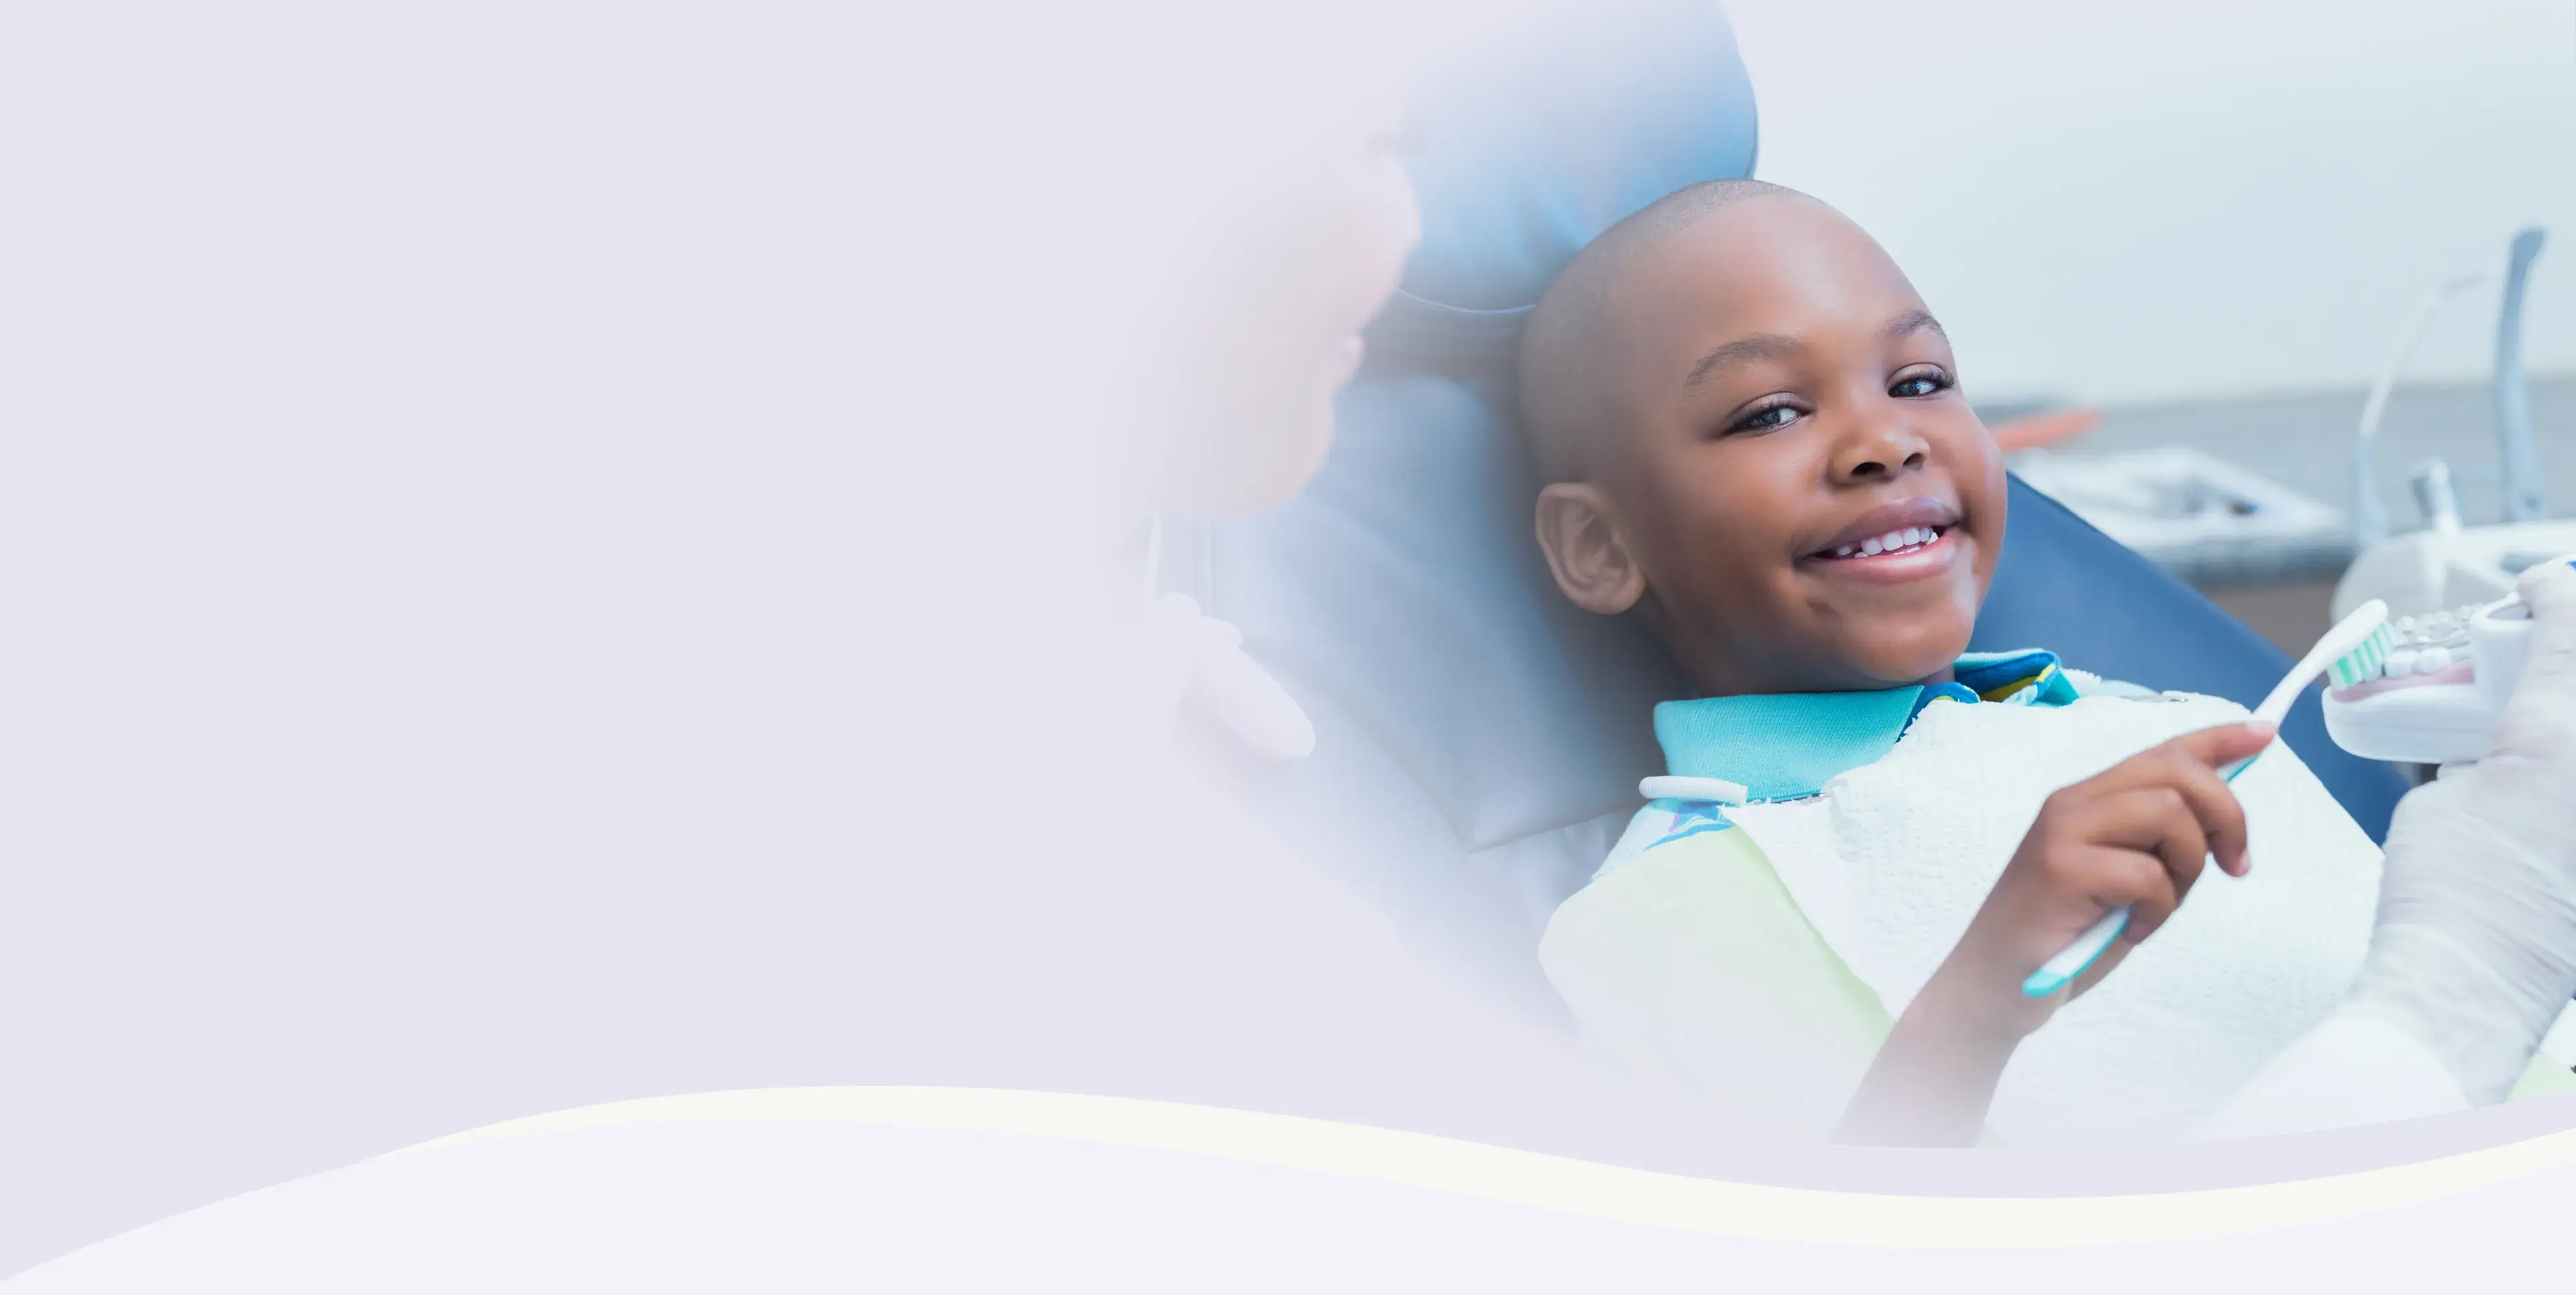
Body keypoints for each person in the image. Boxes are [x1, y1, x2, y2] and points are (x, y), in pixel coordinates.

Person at [1513, 176, 2576, 1146]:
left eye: (1920, 378)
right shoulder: (1668, 918)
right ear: (1603, 547)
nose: (1884, 440)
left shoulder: (2137, 718)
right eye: (1771, 412)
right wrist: (1972, 1006)